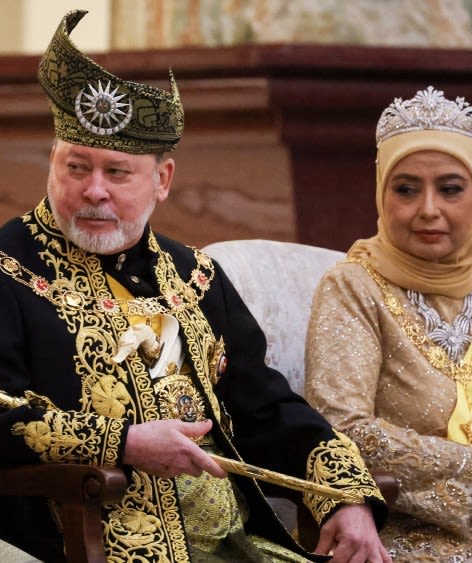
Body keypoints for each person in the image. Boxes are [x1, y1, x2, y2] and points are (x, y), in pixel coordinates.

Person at [0, 10, 391, 563]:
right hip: (87, 540)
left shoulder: (193, 276)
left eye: (116, 173)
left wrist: (347, 495)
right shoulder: (6, 268)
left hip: (238, 542)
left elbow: (267, 409)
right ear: (51, 163)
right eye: (75, 168)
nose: (92, 191)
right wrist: (126, 443)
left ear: (162, 180)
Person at [303, 86, 472, 562]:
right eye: (406, 189)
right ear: (381, 192)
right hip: (400, 533)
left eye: (450, 189)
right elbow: (340, 427)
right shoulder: (353, 287)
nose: (428, 209)